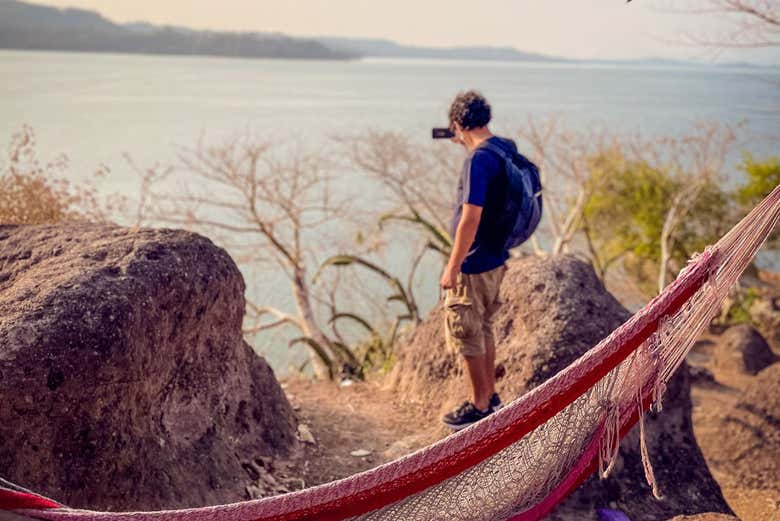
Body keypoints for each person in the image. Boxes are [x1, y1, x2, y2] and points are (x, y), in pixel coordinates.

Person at [439, 90, 517, 431]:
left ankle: (479, 405)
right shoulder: (504, 148)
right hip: (496, 257)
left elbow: (471, 216)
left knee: (467, 330)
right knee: (483, 327)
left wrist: (453, 266)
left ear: (458, 124)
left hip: (474, 260)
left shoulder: (478, 160)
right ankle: (490, 397)